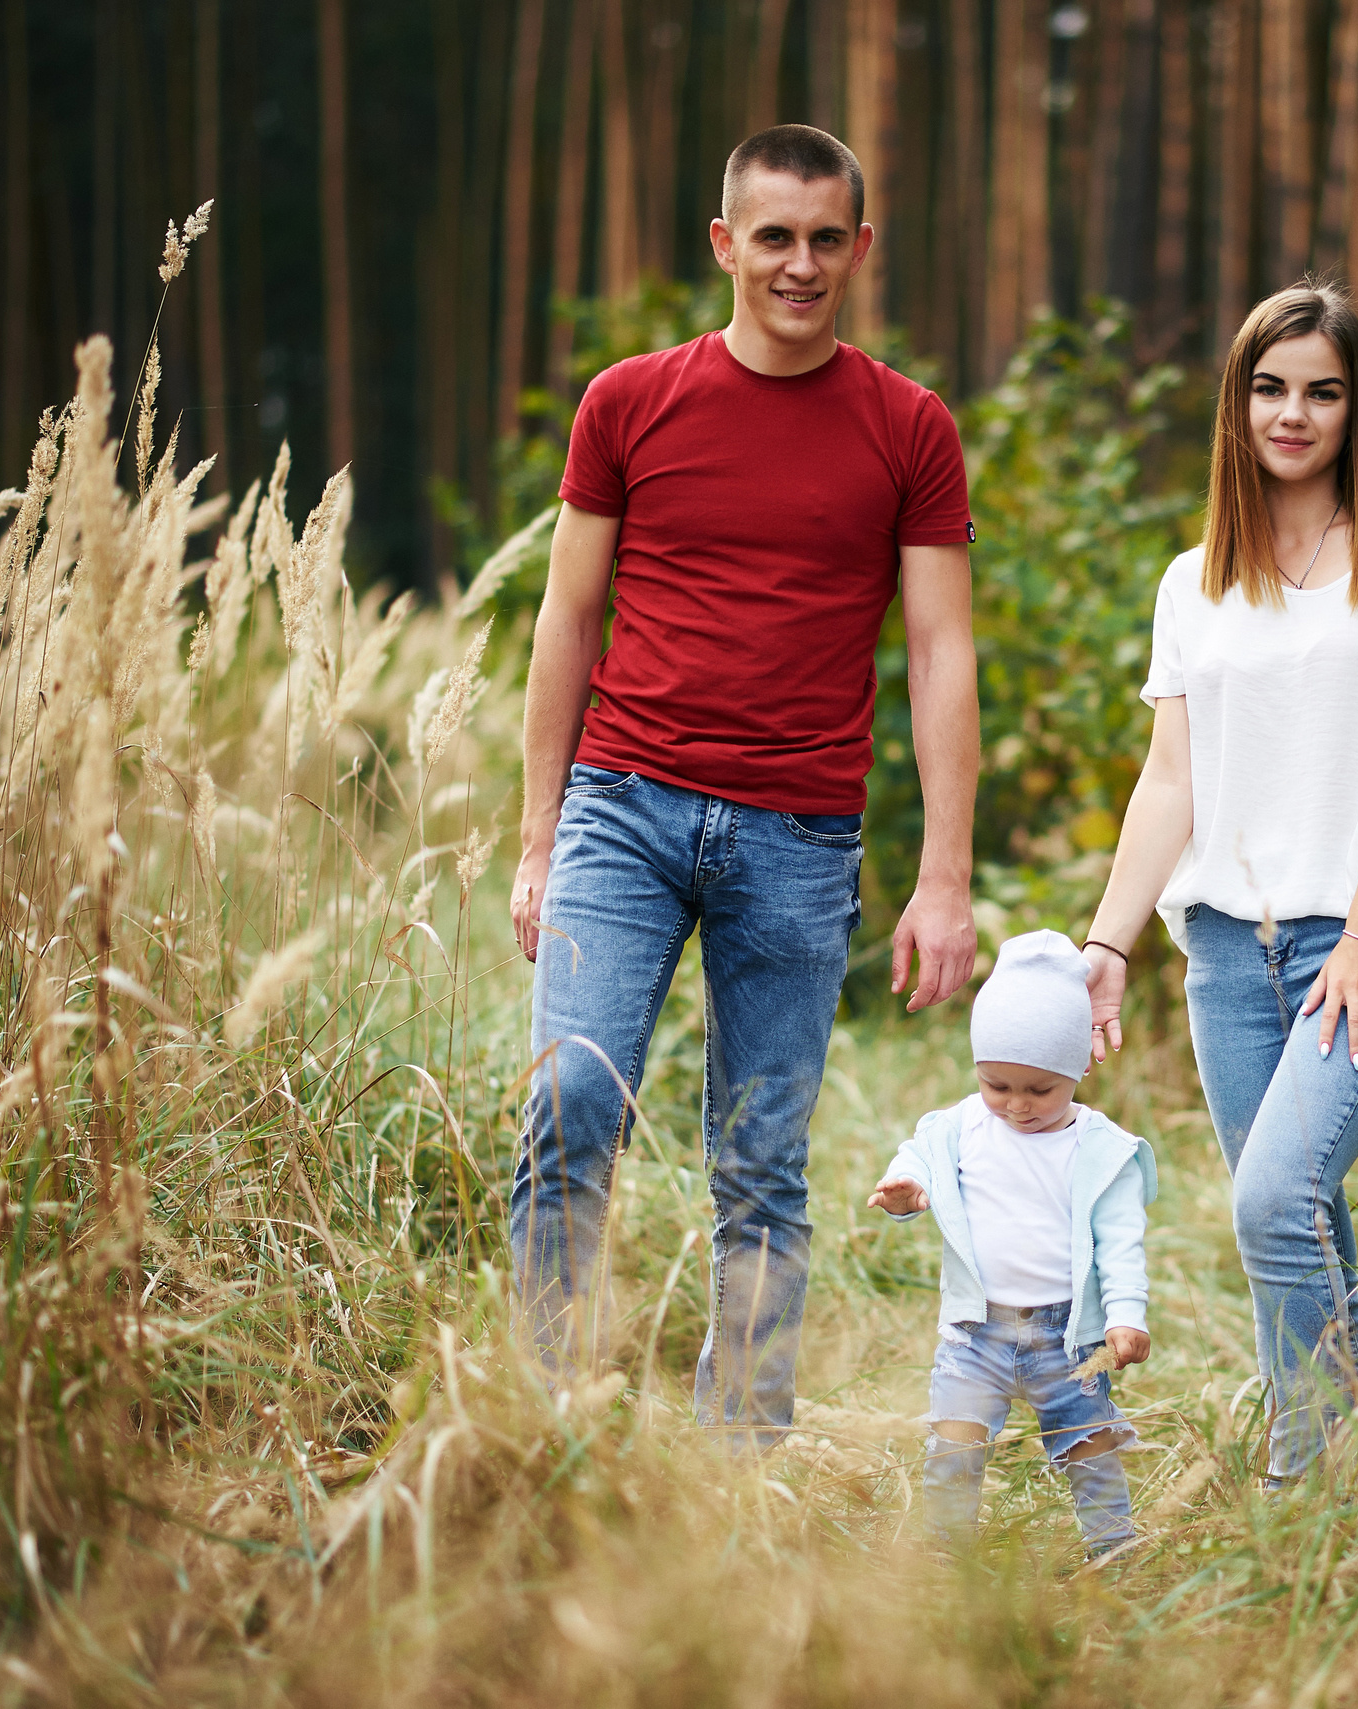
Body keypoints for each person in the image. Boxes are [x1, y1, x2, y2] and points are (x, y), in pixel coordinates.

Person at [507, 125, 981, 1447]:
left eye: (828, 238)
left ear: (861, 250)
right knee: (570, 1099)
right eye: (774, 235)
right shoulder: (630, 401)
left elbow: (943, 654)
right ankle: (539, 1426)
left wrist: (944, 879)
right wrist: (539, 839)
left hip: (800, 835)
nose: (801, 264)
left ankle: (744, 1459)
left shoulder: (908, 427)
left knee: (761, 1161)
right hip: (625, 807)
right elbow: (567, 618)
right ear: (725, 244)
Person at [1076, 282, 1358, 1484]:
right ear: (1236, 402)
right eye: (1269, 387)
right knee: (1294, 1217)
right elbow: (1170, 778)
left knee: (1270, 1205)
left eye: (1322, 391)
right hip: (1226, 955)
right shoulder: (1193, 579)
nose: (1291, 413)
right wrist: (1109, 939)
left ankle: (1304, 1485)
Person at [868, 931, 1155, 1559]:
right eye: (997, 1085)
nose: (1017, 1106)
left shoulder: (1101, 1151)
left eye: (1039, 1090)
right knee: (955, 1443)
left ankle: (1113, 1547)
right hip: (978, 1333)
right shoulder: (961, 1127)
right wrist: (905, 1188)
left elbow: (1121, 1242)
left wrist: (1127, 1315)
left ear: (1079, 1066)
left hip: (1066, 1338)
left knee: (1090, 1445)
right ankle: (946, 1553)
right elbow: (918, 1161)